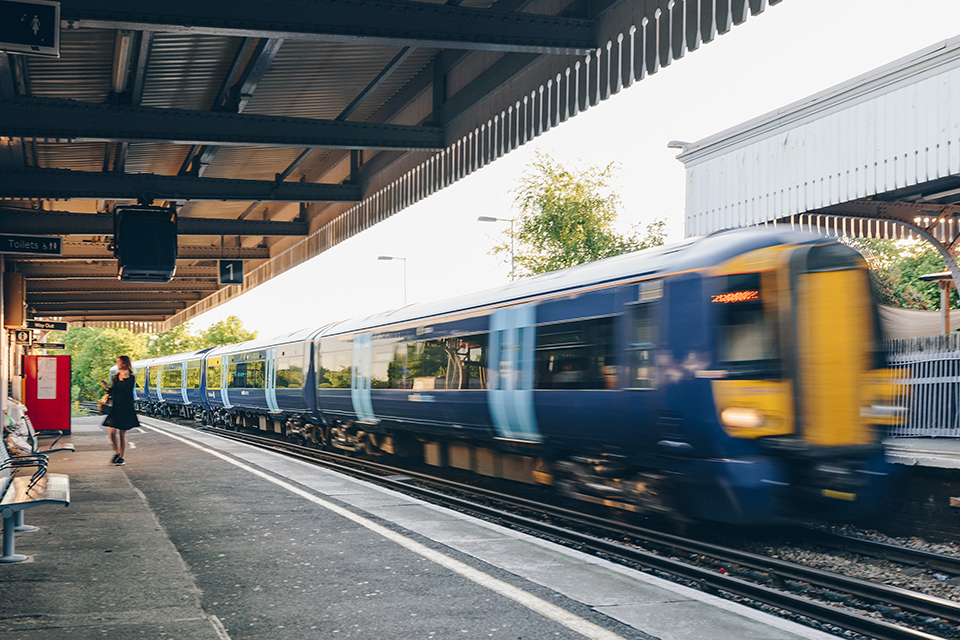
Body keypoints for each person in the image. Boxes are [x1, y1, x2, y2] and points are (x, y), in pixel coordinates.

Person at [100, 355, 139, 466]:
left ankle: (121, 456)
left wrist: (124, 378)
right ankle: (116, 452)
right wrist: (107, 388)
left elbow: (128, 391)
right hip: (116, 408)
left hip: (126, 407)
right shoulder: (116, 376)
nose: (117, 364)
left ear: (124, 364)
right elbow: (113, 391)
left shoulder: (131, 377)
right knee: (112, 433)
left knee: (122, 433)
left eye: (119, 362)